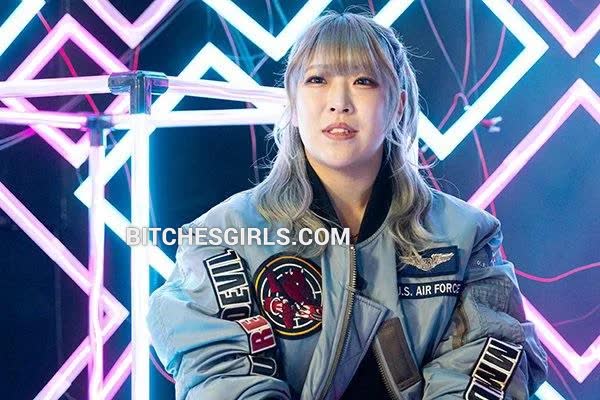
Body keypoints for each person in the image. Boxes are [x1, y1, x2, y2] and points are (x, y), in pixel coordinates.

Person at [147, 11, 547, 400]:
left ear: (398, 105)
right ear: (293, 103)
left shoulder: (465, 235)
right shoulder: (223, 236)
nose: (339, 102)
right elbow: (221, 375)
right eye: (318, 80)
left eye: (363, 81)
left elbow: (489, 356)